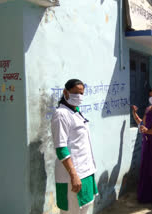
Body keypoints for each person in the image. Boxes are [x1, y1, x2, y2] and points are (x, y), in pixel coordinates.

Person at [51, 79, 98, 214]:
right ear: (65, 92)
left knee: (85, 207)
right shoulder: (61, 114)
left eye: (82, 93)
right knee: (72, 211)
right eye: (75, 93)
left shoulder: (75, 111)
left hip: (86, 171)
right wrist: (73, 175)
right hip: (72, 175)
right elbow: (61, 148)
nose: (79, 96)